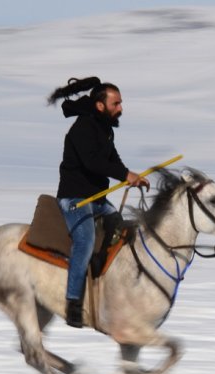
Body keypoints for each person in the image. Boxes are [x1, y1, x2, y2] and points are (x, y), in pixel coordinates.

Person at [47, 77, 149, 328]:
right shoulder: (82, 128)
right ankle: (72, 303)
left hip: (98, 200)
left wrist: (130, 176)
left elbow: (112, 159)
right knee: (85, 241)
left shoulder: (106, 129)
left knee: (123, 230)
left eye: (121, 103)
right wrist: (125, 175)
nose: (121, 109)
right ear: (100, 105)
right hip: (75, 200)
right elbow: (93, 162)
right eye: (116, 103)